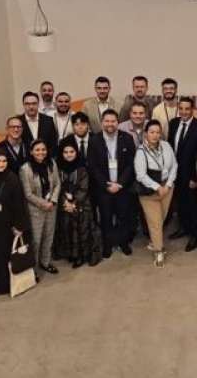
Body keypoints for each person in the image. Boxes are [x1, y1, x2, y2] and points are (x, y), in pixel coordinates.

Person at [88, 109, 137, 257]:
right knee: (106, 218)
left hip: (123, 187)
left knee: (123, 217)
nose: (110, 124)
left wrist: (120, 183)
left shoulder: (127, 138)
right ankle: (107, 245)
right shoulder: (94, 140)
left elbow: (131, 164)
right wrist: (106, 185)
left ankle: (123, 243)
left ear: (118, 122)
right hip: (104, 189)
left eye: (113, 121)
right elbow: (93, 167)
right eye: (107, 121)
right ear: (102, 122)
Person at [134, 120, 178, 267]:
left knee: (161, 220)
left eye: (158, 132)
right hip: (149, 193)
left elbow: (174, 166)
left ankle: (154, 241)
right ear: (146, 134)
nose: (155, 135)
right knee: (155, 222)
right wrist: (158, 187)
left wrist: (168, 184)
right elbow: (141, 175)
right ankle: (159, 251)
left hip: (167, 189)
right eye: (152, 132)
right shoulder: (140, 152)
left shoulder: (166, 146)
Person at [53, 138, 101, 268]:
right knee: (66, 229)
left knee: (81, 230)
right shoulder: (57, 168)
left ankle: (80, 256)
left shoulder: (82, 168)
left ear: (76, 152)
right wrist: (65, 202)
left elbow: (84, 188)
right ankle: (70, 254)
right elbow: (56, 186)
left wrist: (74, 202)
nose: (69, 154)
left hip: (81, 204)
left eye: (72, 151)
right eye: (65, 152)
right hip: (64, 205)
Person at [0, 151, 28, 294]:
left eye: (4, 161)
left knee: (6, 255)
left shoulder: (12, 178)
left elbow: (19, 204)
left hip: (8, 225)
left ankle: (8, 284)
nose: (1, 164)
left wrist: (19, 226)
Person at [168, 97, 197, 251]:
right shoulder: (173, 123)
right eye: (181, 108)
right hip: (175, 173)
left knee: (193, 205)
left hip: (190, 174)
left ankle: (195, 234)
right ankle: (183, 228)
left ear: (193, 110)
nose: (184, 112)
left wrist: (195, 178)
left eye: (187, 109)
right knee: (181, 203)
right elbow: (170, 147)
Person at [20, 140, 61, 276]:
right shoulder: (25, 169)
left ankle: (45, 262)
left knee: (49, 236)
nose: (41, 152)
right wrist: (44, 204)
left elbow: (57, 184)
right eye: (37, 150)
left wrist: (53, 201)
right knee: (36, 240)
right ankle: (34, 269)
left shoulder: (52, 163)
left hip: (51, 207)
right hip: (35, 210)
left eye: (43, 149)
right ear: (31, 152)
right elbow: (28, 194)